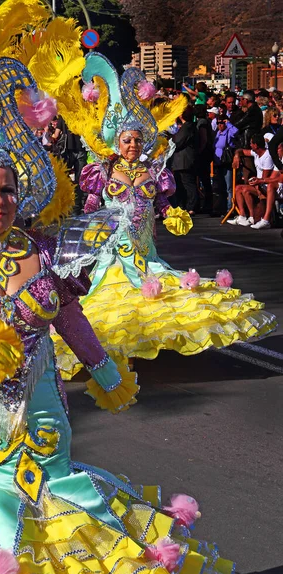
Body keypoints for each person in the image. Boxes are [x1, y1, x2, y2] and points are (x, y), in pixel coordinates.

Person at [0, 2, 264, 574]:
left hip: (43, 422)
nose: (0, 200)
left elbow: (69, 316)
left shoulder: (47, 249)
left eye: (9, 189)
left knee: (60, 515)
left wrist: (105, 369)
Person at [52, 53, 276, 391]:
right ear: (117, 141)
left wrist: (173, 215)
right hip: (114, 252)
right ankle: (112, 349)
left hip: (145, 249)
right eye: (126, 140)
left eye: (137, 140)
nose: (131, 145)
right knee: (115, 298)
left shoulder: (154, 171)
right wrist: (87, 231)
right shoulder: (103, 171)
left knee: (156, 294)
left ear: (144, 142)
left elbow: (163, 202)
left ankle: (144, 347)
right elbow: (92, 205)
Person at [227, 133, 274, 227]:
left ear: (256, 145)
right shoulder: (255, 153)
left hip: (265, 185)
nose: (250, 145)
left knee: (245, 189)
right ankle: (242, 216)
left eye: (251, 143)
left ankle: (252, 217)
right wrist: (237, 156)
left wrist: (255, 182)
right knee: (238, 188)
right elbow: (241, 151)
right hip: (258, 183)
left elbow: (264, 178)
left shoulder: (267, 157)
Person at [170, 105, 198, 215]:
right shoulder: (188, 126)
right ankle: (185, 205)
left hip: (184, 160)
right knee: (182, 183)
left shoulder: (187, 127)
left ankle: (191, 206)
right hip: (183, 160)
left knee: (187, 183)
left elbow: (178, 142)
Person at [233, 91, 263, 182]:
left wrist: (230, 125)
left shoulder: (253, 111)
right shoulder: (254, 110)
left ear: (246, 100)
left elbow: (240, 123)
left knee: (248, 172)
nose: (240, 101)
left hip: (249, 144)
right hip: (249, 142)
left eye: (242, 99)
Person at [212, 118, 238, 216]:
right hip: (218, 163)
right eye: (218, 123)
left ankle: (230, 208)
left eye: (222, 123)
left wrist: (228, 123)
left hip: (226, 163)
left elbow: (236, 132)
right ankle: (221, 208)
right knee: (220, 187)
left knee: (229, 187)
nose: (220, 125)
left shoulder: (229, 132)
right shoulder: (217, 133)